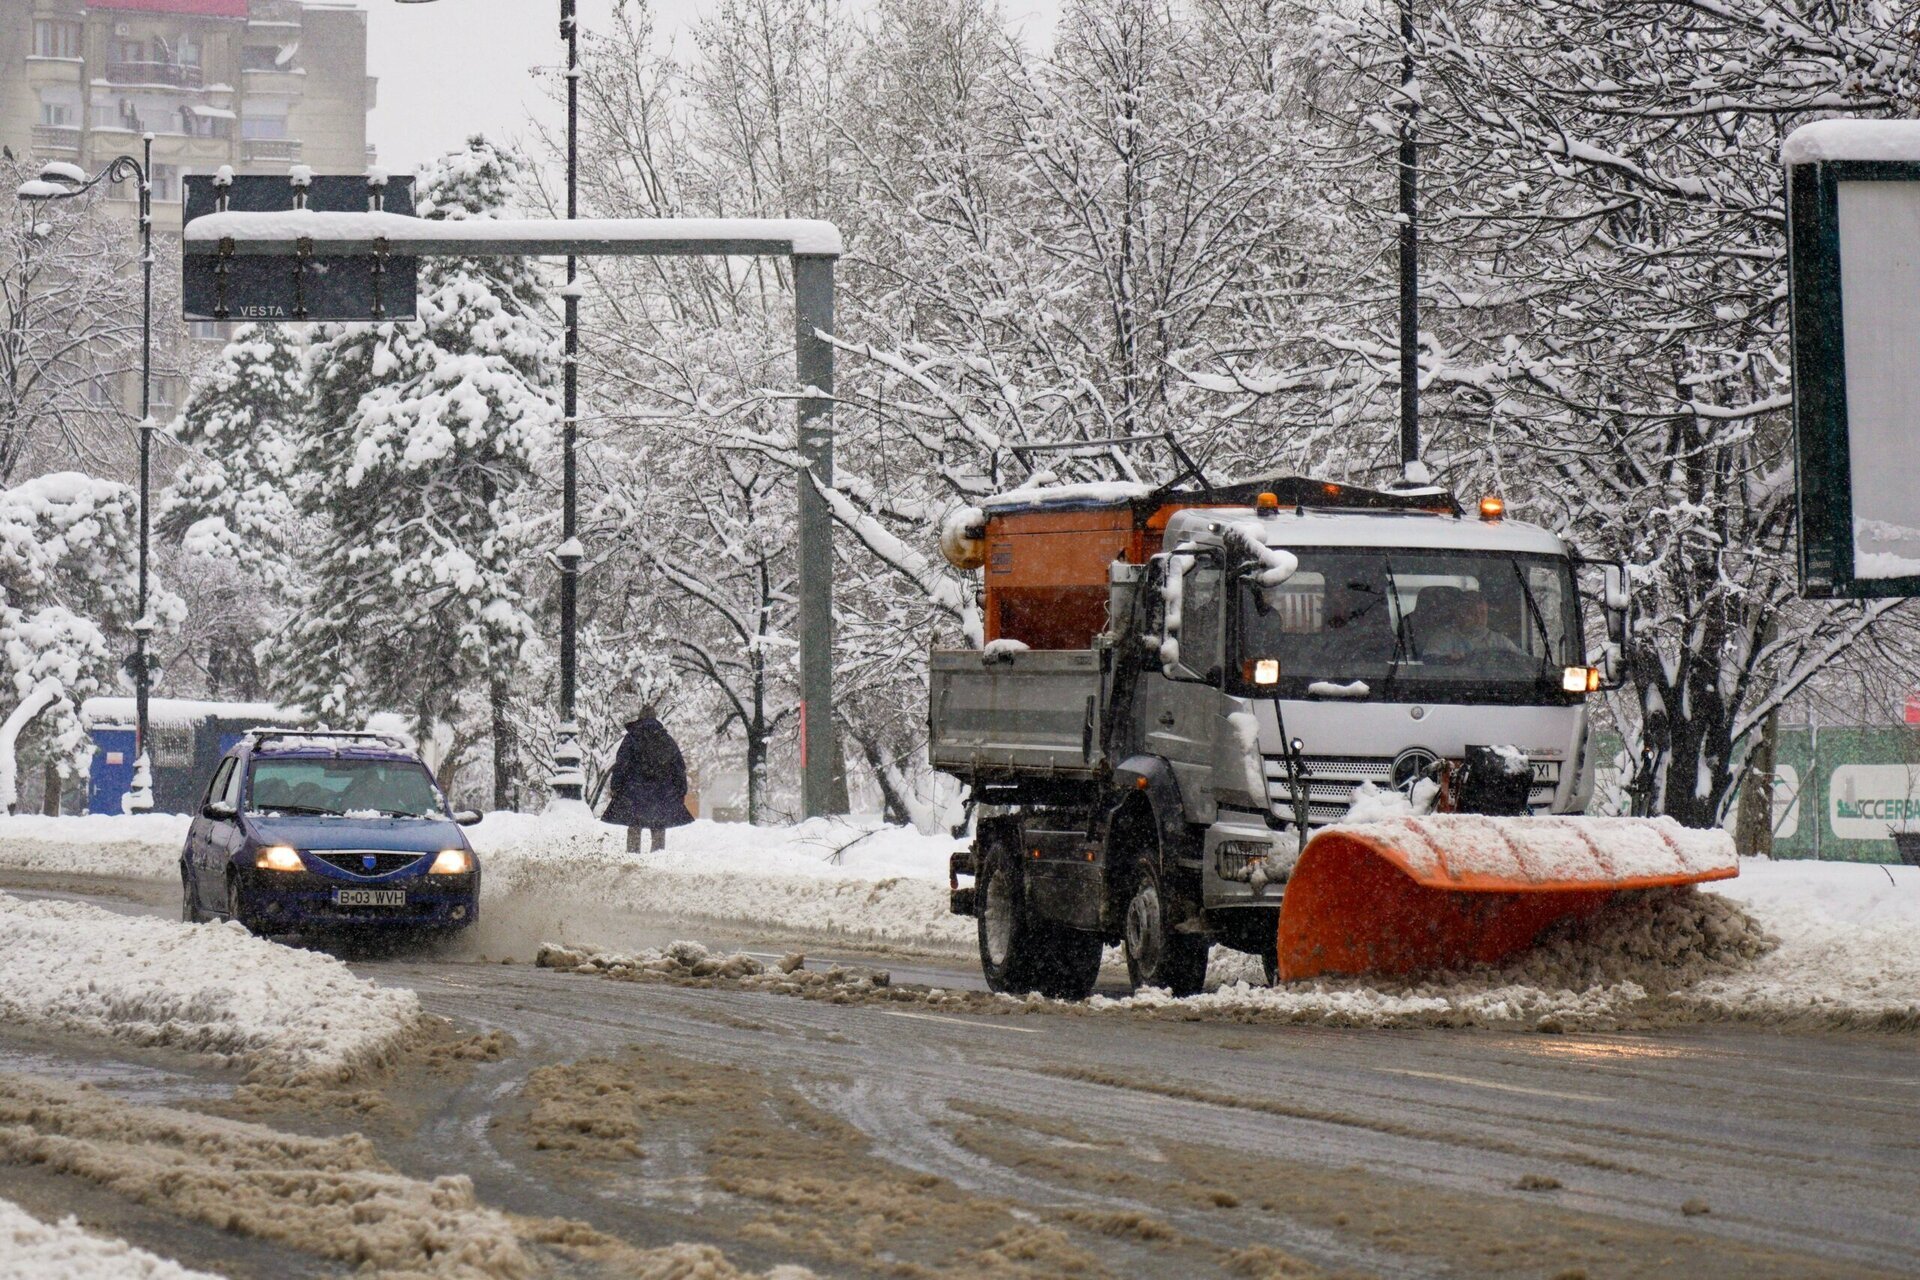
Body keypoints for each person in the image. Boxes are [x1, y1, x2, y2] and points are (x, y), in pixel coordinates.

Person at [602, 706, 694, 852]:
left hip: (634, 791)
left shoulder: (631, 738)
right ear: (656, 718)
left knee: (634, 824)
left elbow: (621, 765)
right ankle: (656, 859)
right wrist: (681, 791)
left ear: (639, 718)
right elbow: (678, 767)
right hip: (661, 792)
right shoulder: (666, 739)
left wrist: (616, 786)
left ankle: (633, 858)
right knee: (658, 825)